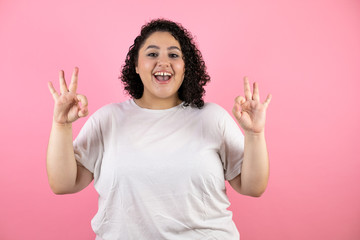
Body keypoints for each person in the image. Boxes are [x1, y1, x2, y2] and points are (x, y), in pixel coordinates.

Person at [47, 19, 272, 240]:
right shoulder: (108, 120)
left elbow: (252, 186)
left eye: (174, 55)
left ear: (186, 67)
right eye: (152, 54)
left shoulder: (212, 118)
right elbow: (64, 183)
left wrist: (254, 134)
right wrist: (62, 126)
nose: (163, 62)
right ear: (136, 65)